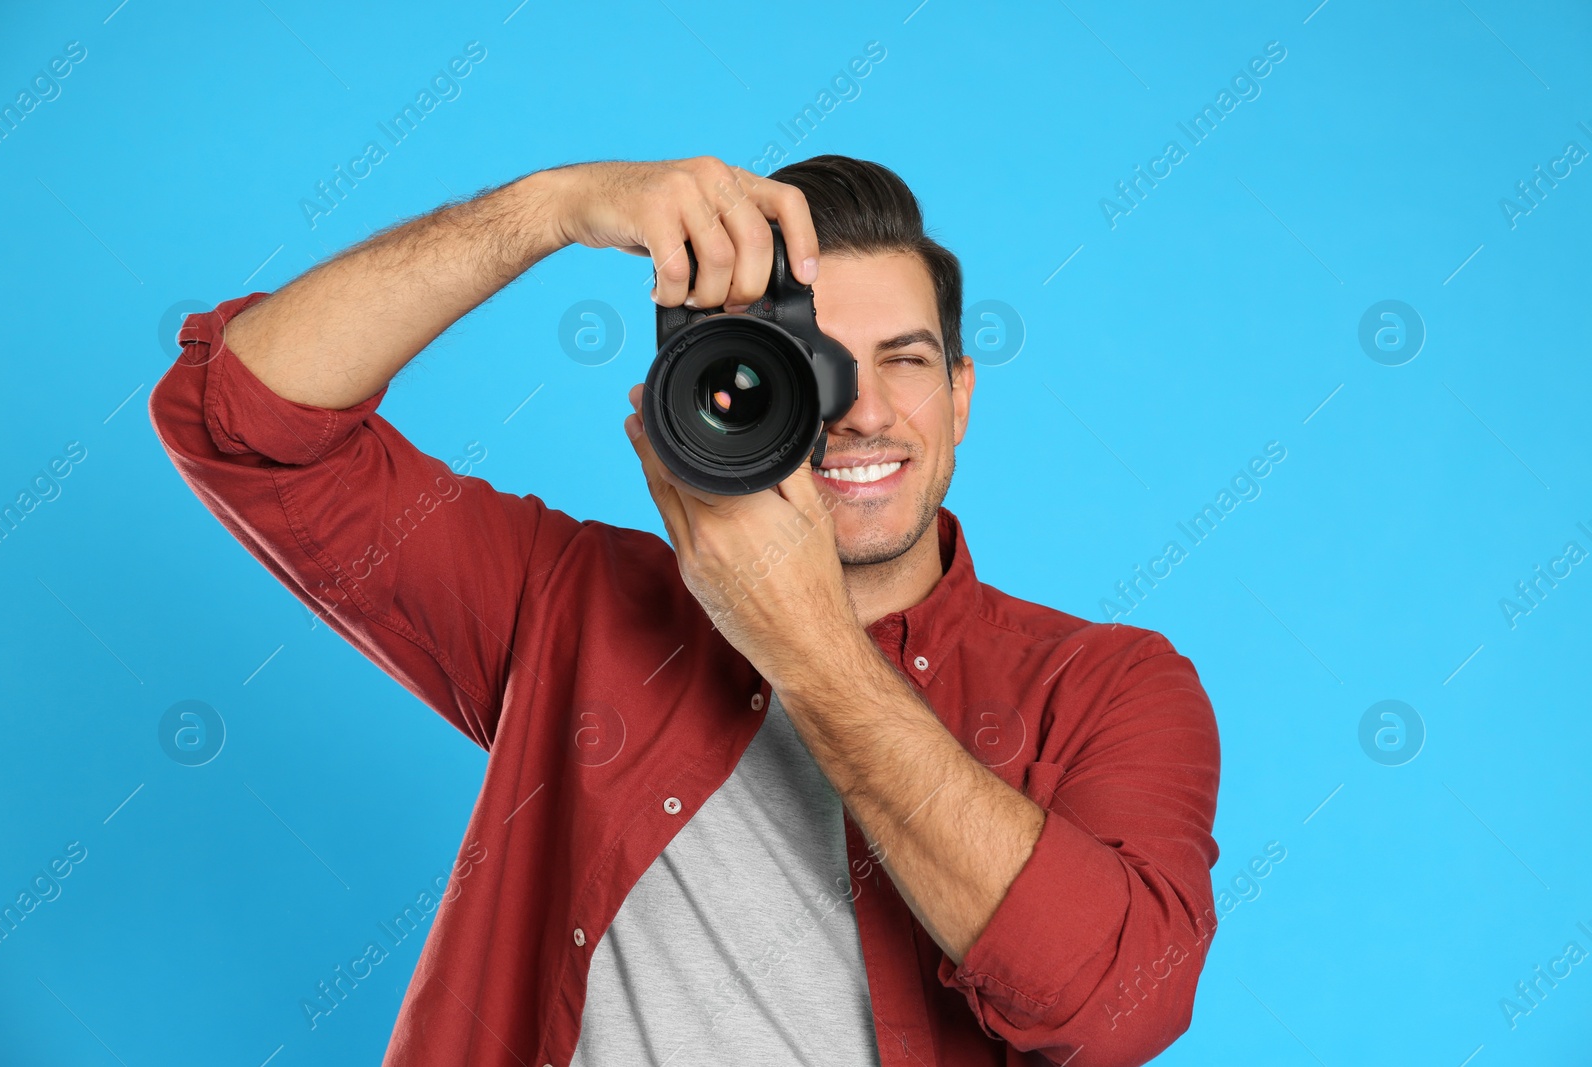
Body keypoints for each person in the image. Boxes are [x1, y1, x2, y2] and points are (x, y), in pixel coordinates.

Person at [149, 154, 1221, 1067]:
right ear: (728, 386)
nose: (861, 411)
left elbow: (1118, 1000)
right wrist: (552, 207)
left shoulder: (1108, 682)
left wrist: (802, 641)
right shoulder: (574, 601)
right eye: (814, 365)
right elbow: (240, 420)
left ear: (959, 398)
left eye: (907, 361)